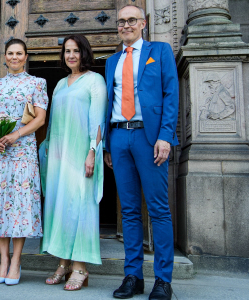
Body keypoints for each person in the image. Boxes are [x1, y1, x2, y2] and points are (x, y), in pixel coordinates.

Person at [104, 5, 179, 300]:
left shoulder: (159, 51)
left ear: (143, 23)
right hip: (119, 137)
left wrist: (165, 137)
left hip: (150, 138)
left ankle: (163, 280)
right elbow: (107, 102)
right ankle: (133, 276)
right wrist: (108, 144)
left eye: (131, 20)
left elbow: (171, 94)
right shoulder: (111, 61)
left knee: (158, 210)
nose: (126, 25)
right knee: (130, 211)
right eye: (121, 21)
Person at [0, 38, 48, 285]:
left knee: (19, 204)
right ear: (4, 57)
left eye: (19, 53)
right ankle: (3, 260)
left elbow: (39, 119)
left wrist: (16, 134)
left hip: (23, 151)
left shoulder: (37, 83)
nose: (14, 57)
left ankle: (16, 261)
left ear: (26, 56)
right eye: (10, 53)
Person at [39, 34, 108, 291]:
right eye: (67, 51)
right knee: (61, 208)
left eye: (75, 51)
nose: (70, 55)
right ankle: (63, 262)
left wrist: (92, 151)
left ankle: (80, 266)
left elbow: (98, 121)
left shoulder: (95, 80)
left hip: (81, 153)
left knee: (81, 207)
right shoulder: (59, 84)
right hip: (59, 156)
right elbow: (53, 121)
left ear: (84, 53)